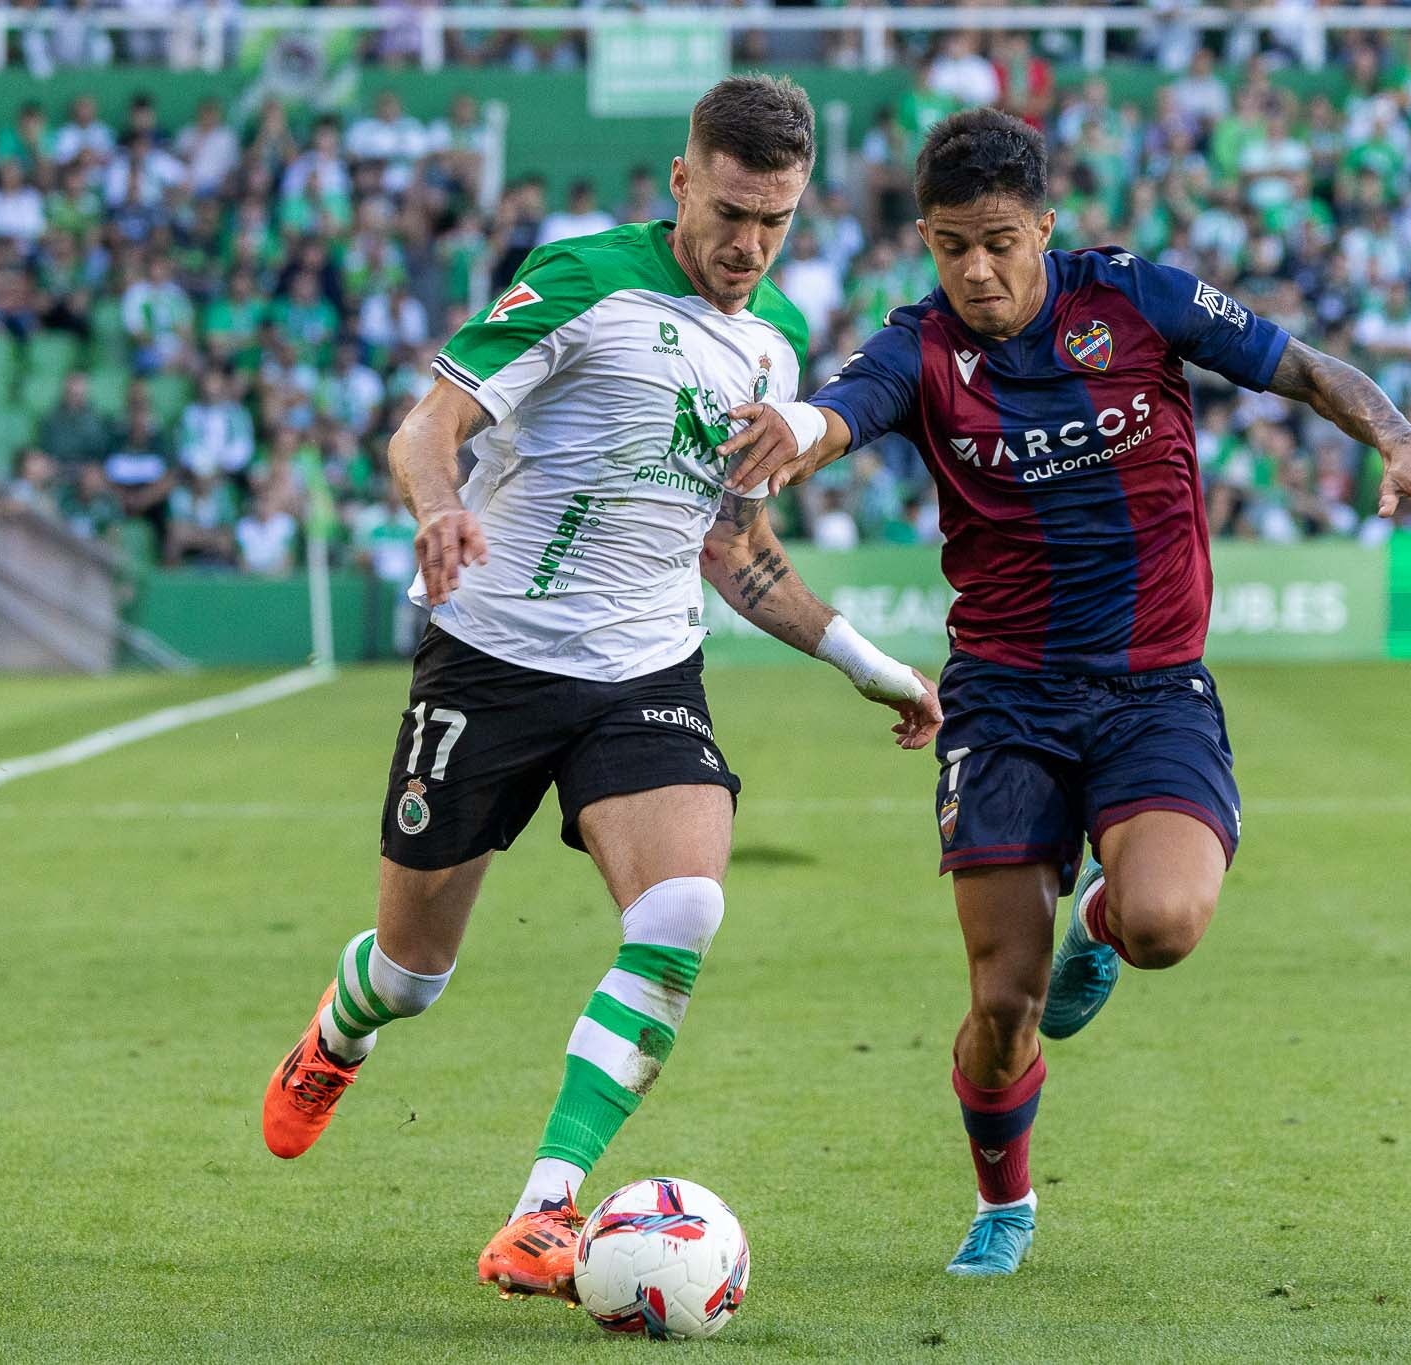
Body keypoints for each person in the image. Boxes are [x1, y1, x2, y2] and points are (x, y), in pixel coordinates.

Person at [717, 110, 1411, 1277]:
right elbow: (846, 408)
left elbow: (1305, 368)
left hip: (1149, 691)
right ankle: (1002, 1204)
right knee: (1000, 1006)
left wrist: (1401, 440)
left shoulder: (1135, 300)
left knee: (1164, 925)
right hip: (1004, 702)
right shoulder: (921, 347)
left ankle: (1100, 919)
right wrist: (801, 426)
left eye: (997, 242)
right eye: (947, 246)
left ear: (1045, 228)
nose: (974, 270)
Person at [256, 76, 944, 1302]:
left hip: (642, 673)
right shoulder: (581, 280)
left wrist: (873, 669)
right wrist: (438, 510)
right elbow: (425, 429)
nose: (746, 246)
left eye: (773, 222)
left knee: (683, 910)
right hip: (491, 657)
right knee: (415, 971)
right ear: (681, 180)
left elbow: (732, 549)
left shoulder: (776, 343)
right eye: (729, 212)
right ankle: (340, 1033)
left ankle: (545, 1208)